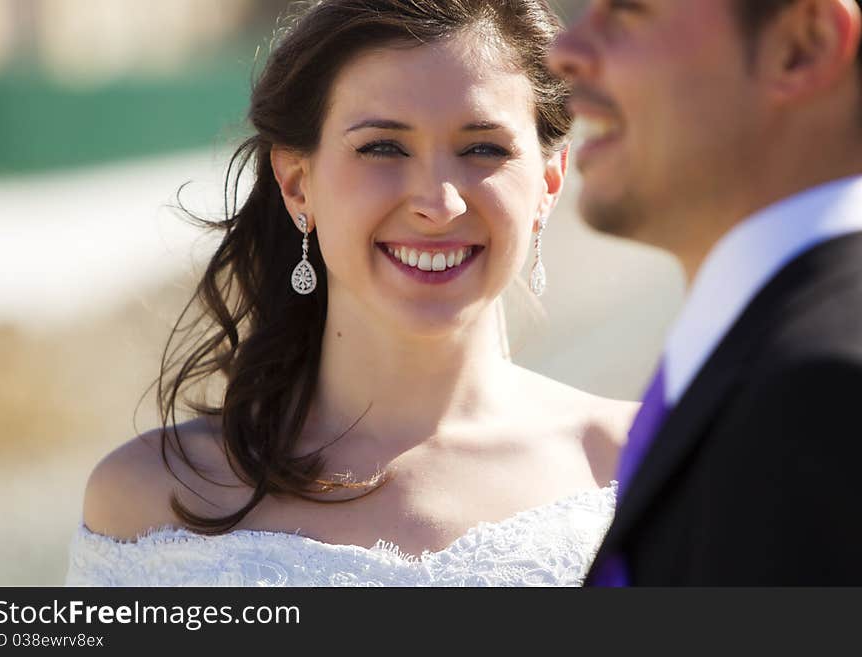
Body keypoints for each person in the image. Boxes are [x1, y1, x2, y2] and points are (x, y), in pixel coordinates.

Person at [65, 0, 637, 587]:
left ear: (549, 182)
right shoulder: (148, 502)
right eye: (383, 147)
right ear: (296, 183)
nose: (438, 205)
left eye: (482, 148)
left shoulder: (638, 467)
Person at [549, 0, 862, 585]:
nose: (563, 51)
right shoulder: (763, 357)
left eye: (624, 12)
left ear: (803, 47)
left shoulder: (829, 388)